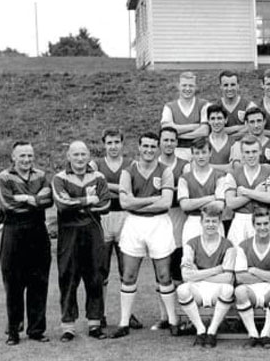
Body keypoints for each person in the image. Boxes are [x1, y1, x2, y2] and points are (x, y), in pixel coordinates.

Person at [110, 132, 180, 339]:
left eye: (152, 147)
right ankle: (124, 323)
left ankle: (173, 320)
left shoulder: (165, 171)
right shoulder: (128, 172)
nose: (149, 150)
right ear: (139, 148)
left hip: (159, 223)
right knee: (129, 274)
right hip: (134, 223)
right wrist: (151, 199)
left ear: (157, 149)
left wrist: (137, 200)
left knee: (164, 275)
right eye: (145, 146)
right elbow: (125, 203)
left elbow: (166, 202)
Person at [52, 141, 111, 342]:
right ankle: (68, 326)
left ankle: (95, 323)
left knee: (95, 276)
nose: (79, 158)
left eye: (83, 154)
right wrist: (87, 201)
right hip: (69, 234)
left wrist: (78, 205)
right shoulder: (60, 178)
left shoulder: (98, 177)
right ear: (68, 156)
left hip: (93, 231)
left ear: (88, 156)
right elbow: (62, 205)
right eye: (75, 154)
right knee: (68, 277)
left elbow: (105, 203)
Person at [0, 141, 53, 345]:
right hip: (14, 232)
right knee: (13, 283)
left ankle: (36, 329)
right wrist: (34, 200)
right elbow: (8, 205)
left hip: (38, 231)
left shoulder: (41, 175)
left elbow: (48, 200)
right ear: (13, 157)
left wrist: (26, 198)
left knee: (39, 281)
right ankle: (13, 331)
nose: (27, 160)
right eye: (22, 156)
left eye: (30, 156)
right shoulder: (4, 177)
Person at [90, 129, 142, 330]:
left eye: (117, 142)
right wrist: (120, 187)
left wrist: (107, 186)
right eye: (109, 142)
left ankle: (127, 315)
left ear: (122, 144)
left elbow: (132, 191)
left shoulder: (131, 165)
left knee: (126, 270)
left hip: (126, 217)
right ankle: (99, 314)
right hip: (103, 217)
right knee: (100, 269)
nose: (113, 146)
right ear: (104, 144)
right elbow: (96, 186)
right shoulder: (95, 164)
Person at [177, 204, 235, 348]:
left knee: (228, 290)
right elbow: (186, 276)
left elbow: (228, 278)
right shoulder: (191, 244)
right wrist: (216, 269)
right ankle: (200, 330)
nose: (210, 225)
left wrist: (197, 274)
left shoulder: (228, 245)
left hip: (217, 288)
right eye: (207, 221)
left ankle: (212, 332)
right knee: (182, 290)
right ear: (201, 222)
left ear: (219, 222)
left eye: (214, 221)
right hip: (198, 288)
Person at [233, 208, 270, 349]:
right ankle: (253, 334)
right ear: (253, 225)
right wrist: (269, 275)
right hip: (251, 289)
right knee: (239, 291)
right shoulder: (243, 246)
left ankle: (265, 334)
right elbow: (240, 277)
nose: (262, 228)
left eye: (265, 224)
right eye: (259, 224)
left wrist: (255, 271)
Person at [156, 127, 189, 330]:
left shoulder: (184, 165)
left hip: (180, 217)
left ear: (177, 143)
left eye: (172, 140)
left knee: (179, 270)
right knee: (161, 270)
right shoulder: (153, 164)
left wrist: (166, 191)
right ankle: (164, 316)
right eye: (165, 140)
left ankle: (182, 315)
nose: (169, 143)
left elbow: (188, 189)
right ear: (160, 142)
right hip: (159, 218)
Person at [225, 135, 270, 246]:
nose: (251, 156)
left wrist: (245, 192)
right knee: (238, 258)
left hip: (263, 219)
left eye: (254, 151)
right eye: (247, 152)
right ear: (242, 154)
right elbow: (230, 203)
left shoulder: (269, 170)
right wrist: (257, 192)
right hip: (240, 221)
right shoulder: (233, 173)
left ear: (260, 151)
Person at [177, 137, 228, 244]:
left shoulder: (220, 176)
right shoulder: (184, 178)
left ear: (210, 153)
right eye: (197, 153)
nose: (201, 156)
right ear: (192, 155)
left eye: (204, 152)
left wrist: (193, 203)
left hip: (214, 221)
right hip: (193, 222)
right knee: (190, 257)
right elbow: (185, 205)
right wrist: (210, 198)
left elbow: (219, 205)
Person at [160, 71, 209, 160]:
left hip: (198, 151)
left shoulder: (204, 105)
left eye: (191, 86)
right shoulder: (169, 107)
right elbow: (166, 130)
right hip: (176, 151)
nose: (187, 89)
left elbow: (204, 131)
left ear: (196, 87)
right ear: (179, 86)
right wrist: (194, 126)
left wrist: (176, 135)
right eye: (184, 85)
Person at [217, 70, 256, 140]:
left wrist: (226, 132)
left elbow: (253, 127)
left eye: (233, 85)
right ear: (220, 86)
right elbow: (213, 130)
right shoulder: (215, 107)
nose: (229, 89)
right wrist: (238, 128)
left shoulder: (249, 106)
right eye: (226, 85)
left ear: (238, 86)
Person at [207, 104, 234, 173]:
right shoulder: (202, 141)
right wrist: (226, 167)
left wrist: (206, 166)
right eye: (213, 119)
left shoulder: (234, 142)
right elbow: (196, 166)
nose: (216, 122)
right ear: (208, 121)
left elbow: (233, 168)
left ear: (226, 120)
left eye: (219, 118)